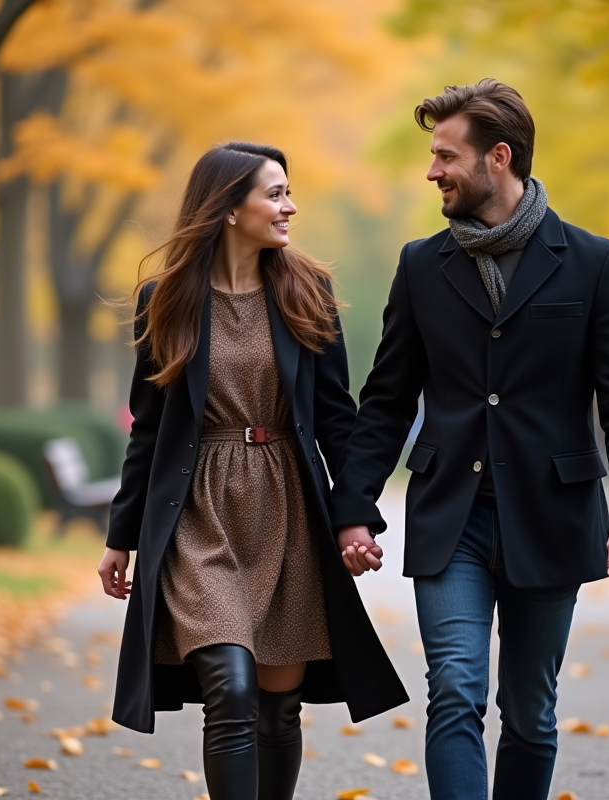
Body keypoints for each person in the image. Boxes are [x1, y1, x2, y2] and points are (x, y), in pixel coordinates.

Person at [330, 80, 609, 800]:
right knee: (454, 691)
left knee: (530, 715)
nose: (432, 171)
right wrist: (352, 505)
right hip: (454, 517)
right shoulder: (422, 265)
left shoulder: (594, 262)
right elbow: (386, 399)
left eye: (447, 156)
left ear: (499, 158)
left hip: (554, 514)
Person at [97, 142, 408, 800]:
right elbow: (148, 429)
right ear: (229, 208)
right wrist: (120, 537)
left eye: (289, 192)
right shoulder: (167, 300)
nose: (289, 205)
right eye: (274, 193)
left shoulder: (307, 290)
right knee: (230, 687)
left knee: (277, 703)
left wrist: (355, 517)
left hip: (287, 507)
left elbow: (336, 418)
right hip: (198, 512)